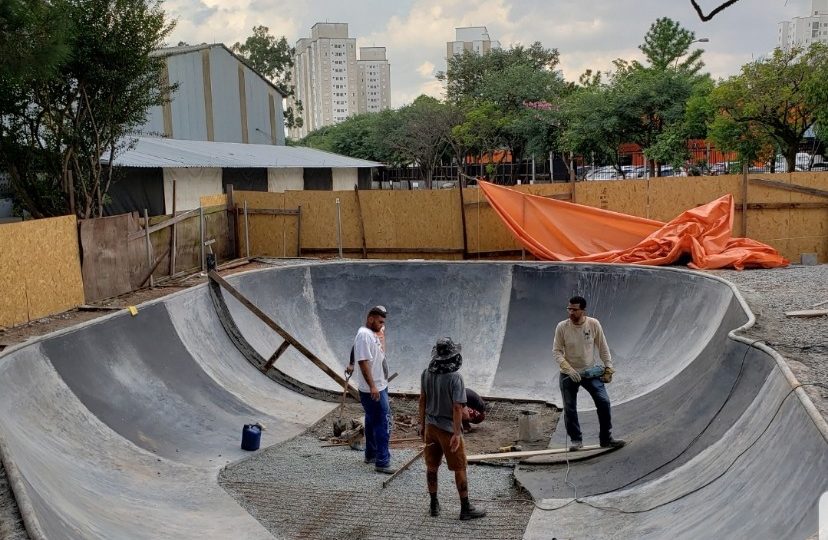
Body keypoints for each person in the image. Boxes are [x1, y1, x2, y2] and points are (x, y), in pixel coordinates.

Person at [419, 337, 486, 520]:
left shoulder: (426, 373)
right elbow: (458, 408)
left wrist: (421, 425)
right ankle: (465, 508)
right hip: (448, 429)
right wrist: (457, 433)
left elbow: (422, 401)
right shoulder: (455, 378)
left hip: (431, 427)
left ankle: (433, 505)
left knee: (431, 467)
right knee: (459, 468)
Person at [553, 295, 625, 451]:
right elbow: (557, 352)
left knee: (603, 402)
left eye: (574, 309)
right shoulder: (562, 327)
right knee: (569, 407)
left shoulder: (593, 324)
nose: (571, 312)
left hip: (589, 372)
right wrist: (568, 369)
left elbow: (603, 346)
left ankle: (606, 438)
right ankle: (576, 440)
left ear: (583, 310)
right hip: (568, 373)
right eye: (569, 309)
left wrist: (608, 366)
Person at [352, 305, 395, 474]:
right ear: (370, 319)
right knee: (382, 422)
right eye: (379, 321)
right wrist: (372, 387)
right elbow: (362, 362)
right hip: (374, 388)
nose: (382, 325)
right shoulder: (363, 335)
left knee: (371, 419)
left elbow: (354, 349)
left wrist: (381, 327)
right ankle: (382, 461)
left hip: (380, 385)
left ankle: (371, 454)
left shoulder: (370, 333)